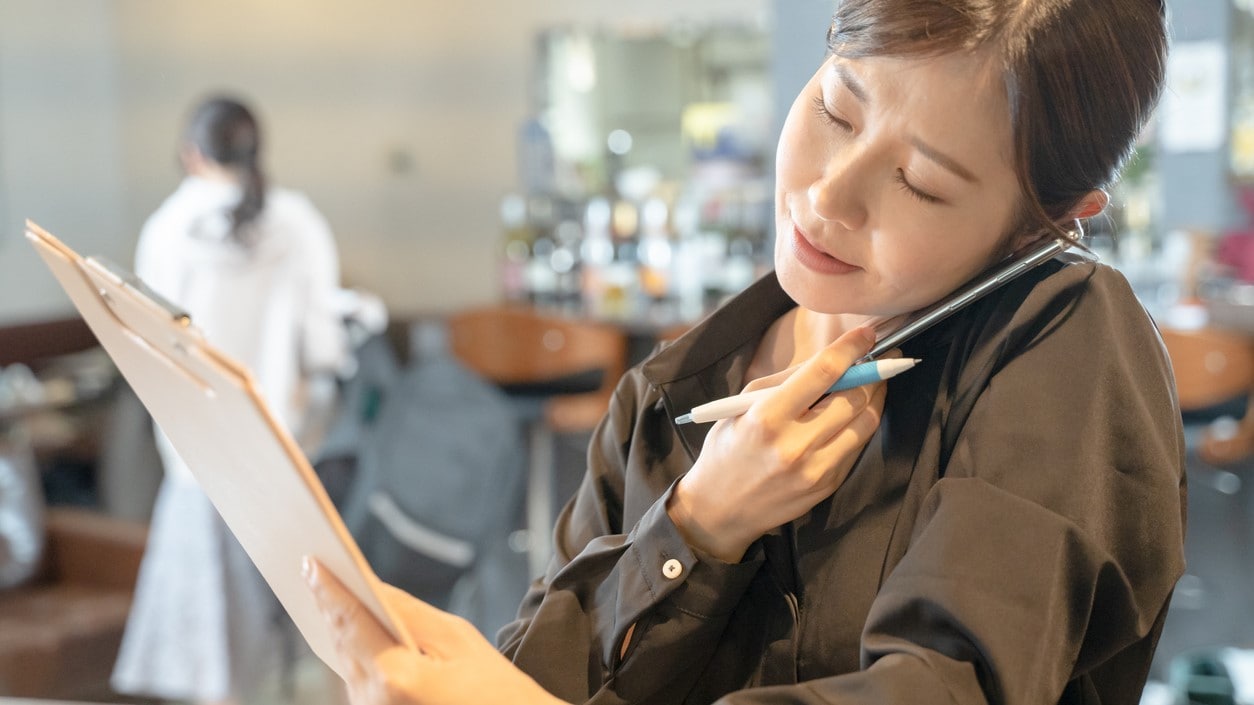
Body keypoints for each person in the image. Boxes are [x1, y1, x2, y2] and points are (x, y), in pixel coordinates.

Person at [306, 0, 1187, 703]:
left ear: (1050, 216)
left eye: (919, 182)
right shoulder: (670, 390)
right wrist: (697, 523)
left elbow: (943, 685)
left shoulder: (1060, 338)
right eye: (837, 111)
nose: (827, 195)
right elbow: (534, 673)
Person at [112, 95, 353, 705]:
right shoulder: (298, 221)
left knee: (213, 655)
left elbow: (147, 351)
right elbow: (326, 347)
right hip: (285, 456)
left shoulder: (167, 228)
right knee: (304, 644)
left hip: (197, 460)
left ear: (191, 153)